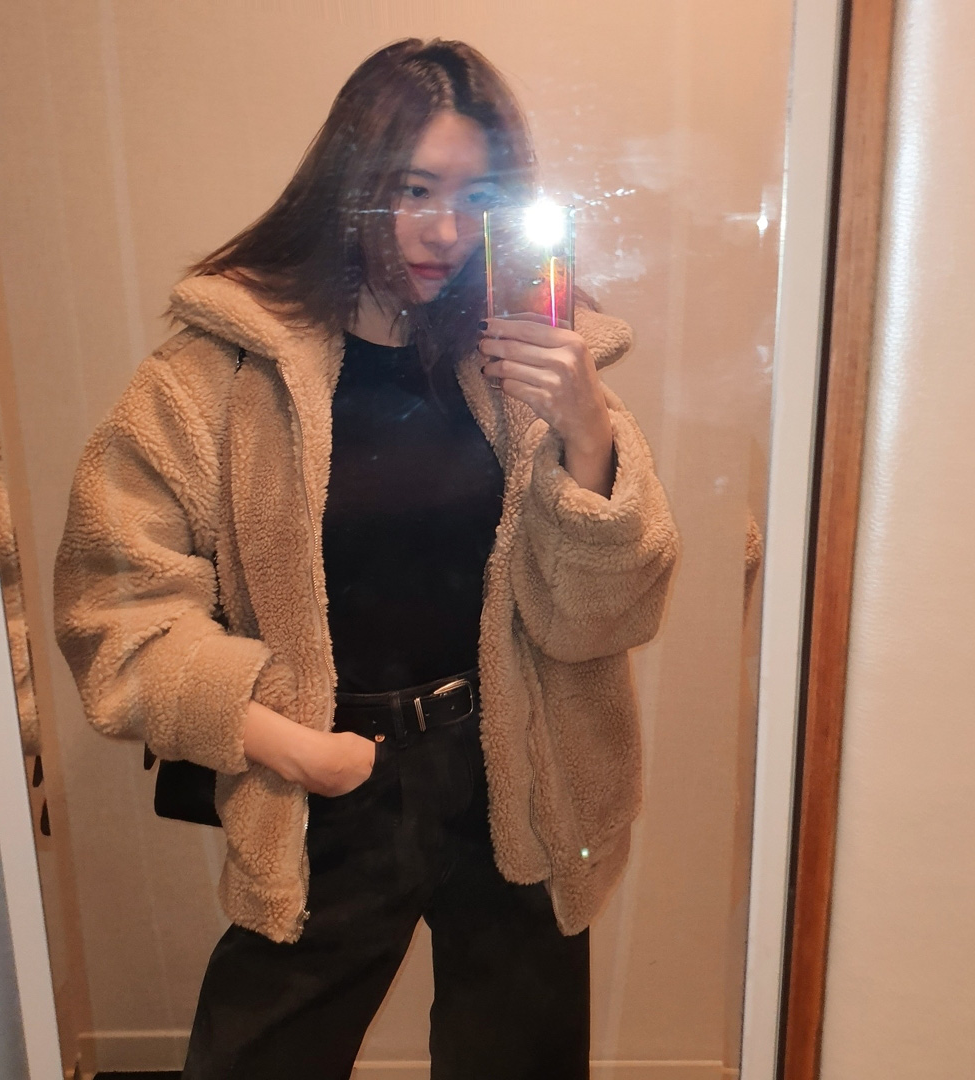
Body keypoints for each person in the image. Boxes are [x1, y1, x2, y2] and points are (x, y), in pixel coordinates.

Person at [53, 38, 679, 1080]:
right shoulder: (218, 374)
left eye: (476, 196)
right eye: (412, 189)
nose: (445, 231)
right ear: (348, 184)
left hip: (515, 769)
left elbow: (601, 617)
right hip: (328, 780)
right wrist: (293, 749)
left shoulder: (527, 362)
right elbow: (112, 605)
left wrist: (586, 433)